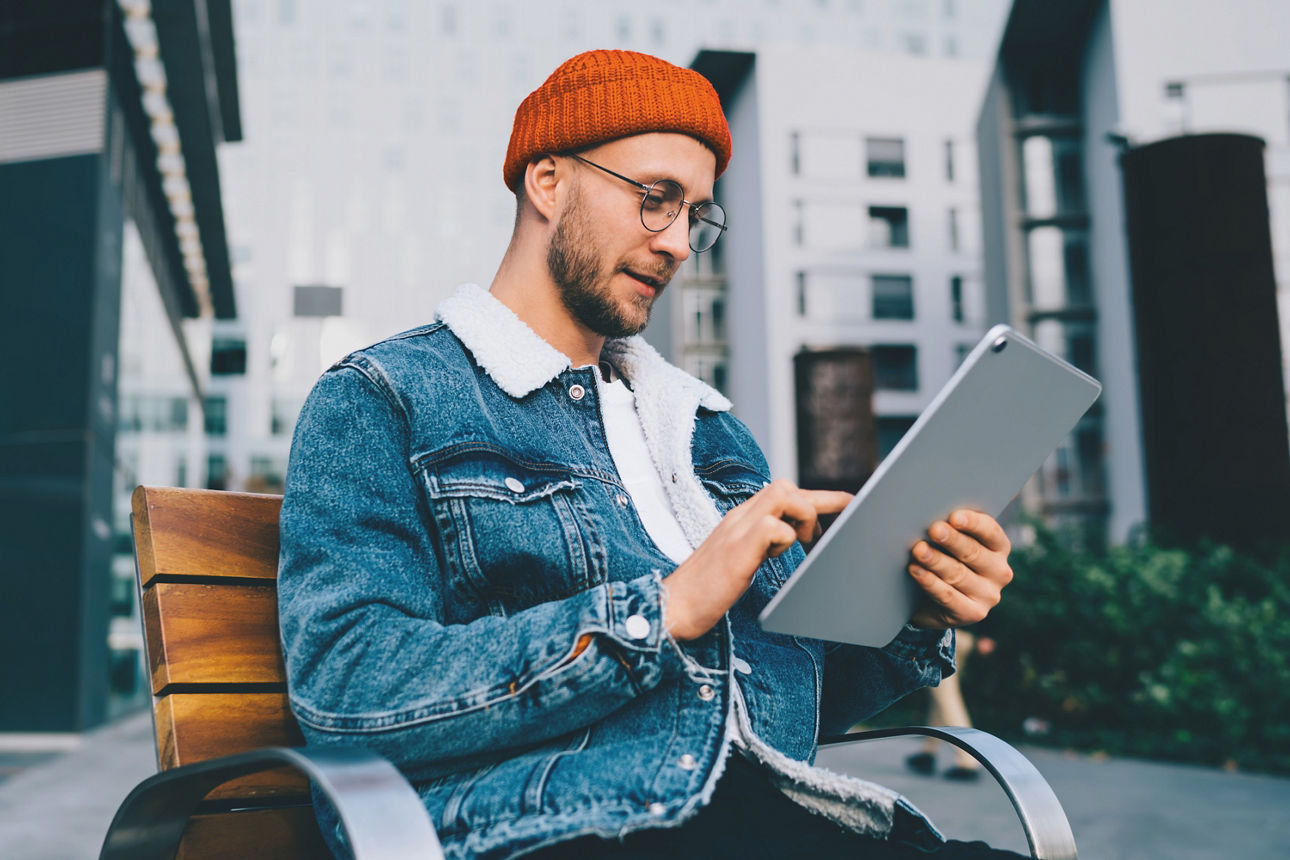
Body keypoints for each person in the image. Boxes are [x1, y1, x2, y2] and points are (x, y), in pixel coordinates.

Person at [278, 49, 1022, 860]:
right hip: (537, 827)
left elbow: (777, 713)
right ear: (548, 181)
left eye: (695, 215)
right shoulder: (388, 396)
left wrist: (910, 613)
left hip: (744, 819)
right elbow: (346, 688)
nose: (675, 243)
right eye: (654, 199)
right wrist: (660, 612)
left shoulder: (708, 433)